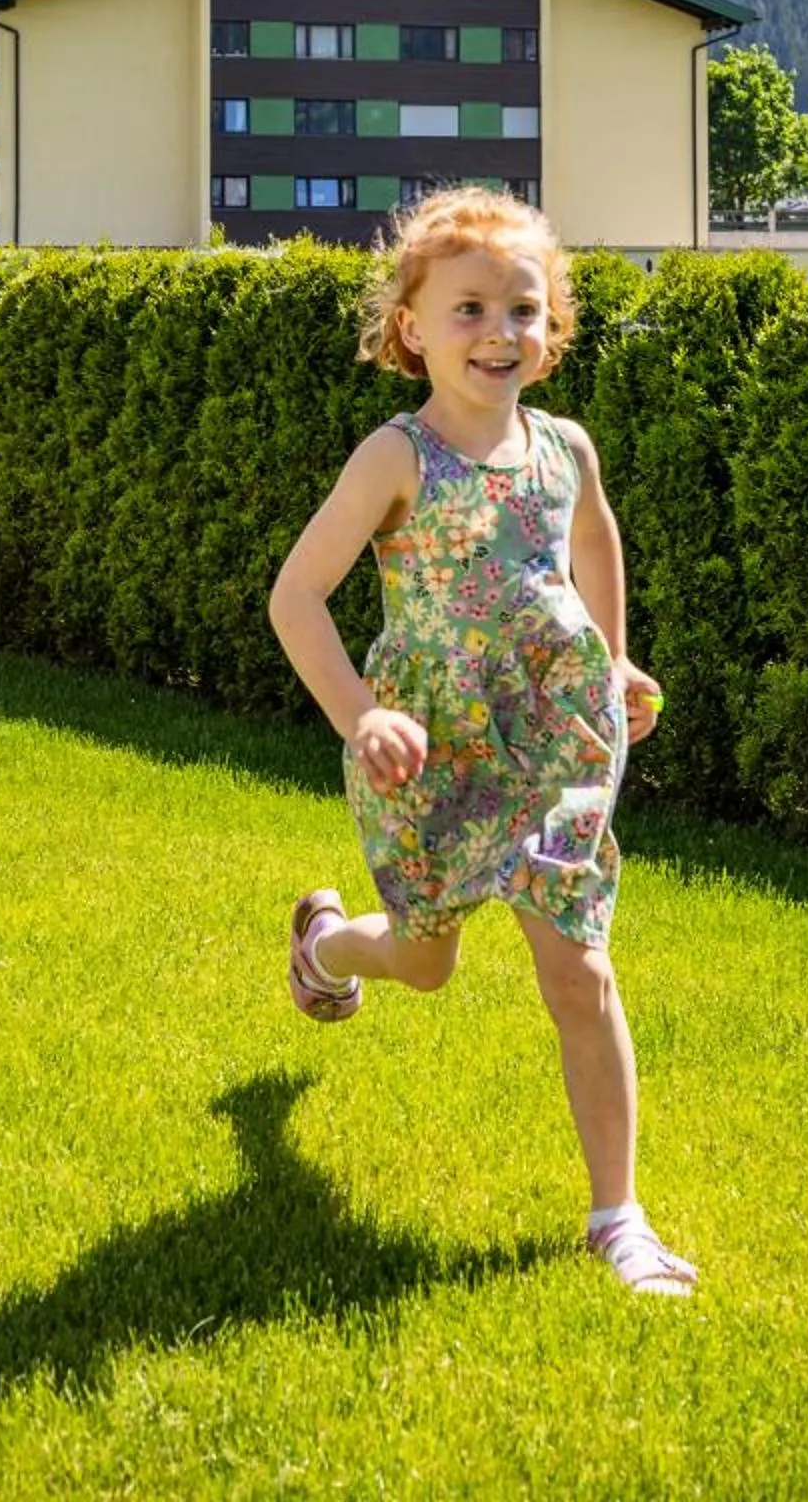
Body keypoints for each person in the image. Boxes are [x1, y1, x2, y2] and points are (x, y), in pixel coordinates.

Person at [268, 187, 695, 1298]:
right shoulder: (396, 456)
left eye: (524, 307)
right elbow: (295, 596)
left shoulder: (566, 449)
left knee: (581, 967)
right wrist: (363, 711)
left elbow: (594, 544)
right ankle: (327, 948)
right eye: (469, 309)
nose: (500, 331)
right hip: (431, 750)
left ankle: (619, 1215)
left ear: (551, 325)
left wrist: (615, 660)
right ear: (410, 324)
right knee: (426, 962)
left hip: (557, 745)